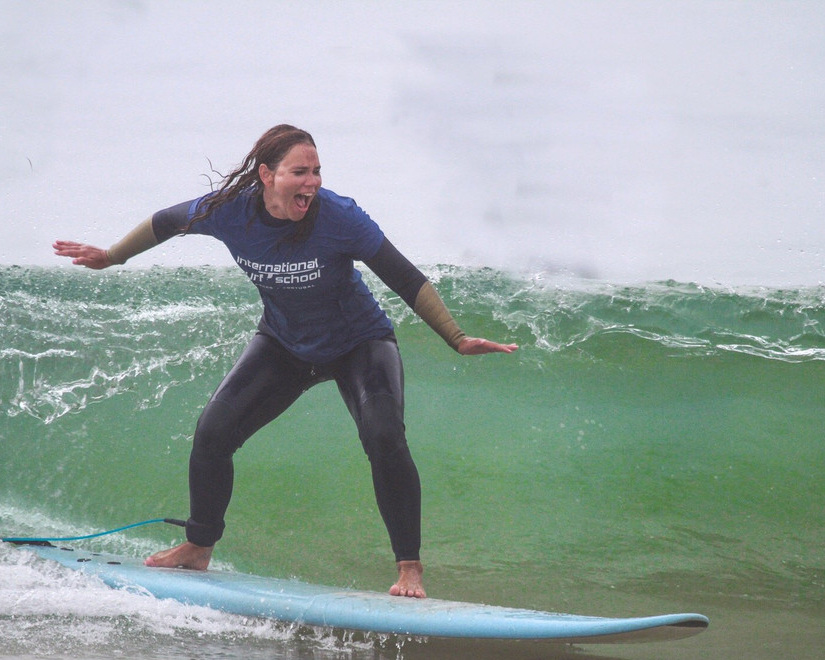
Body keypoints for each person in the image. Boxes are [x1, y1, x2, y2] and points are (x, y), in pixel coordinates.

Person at [54, 124, 516, 598]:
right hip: (284, 343)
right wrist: (112, 256)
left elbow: (403, 276)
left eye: (317, 171)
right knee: (213, 433)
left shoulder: (340, 216)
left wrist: (456, 338)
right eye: (300, 172)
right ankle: (198, 545)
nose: (312, 182)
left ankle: (409, 570)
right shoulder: (229, 211)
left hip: (359, 342)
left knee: (384, 435)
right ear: (267, 175)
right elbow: (165, 222)